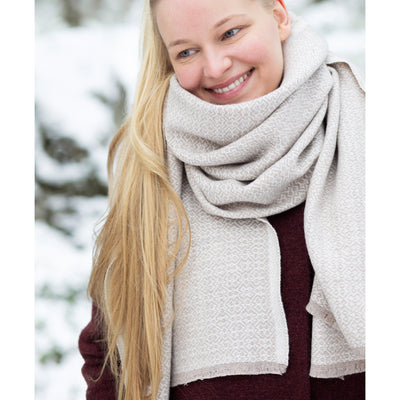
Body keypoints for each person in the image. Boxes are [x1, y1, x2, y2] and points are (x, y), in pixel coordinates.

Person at [78, 0, 365, 399]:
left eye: (230, 33)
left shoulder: (367, 137)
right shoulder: (149, 176)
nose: (214, 68)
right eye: (186, 51)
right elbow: (110, 359)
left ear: (279, 16)